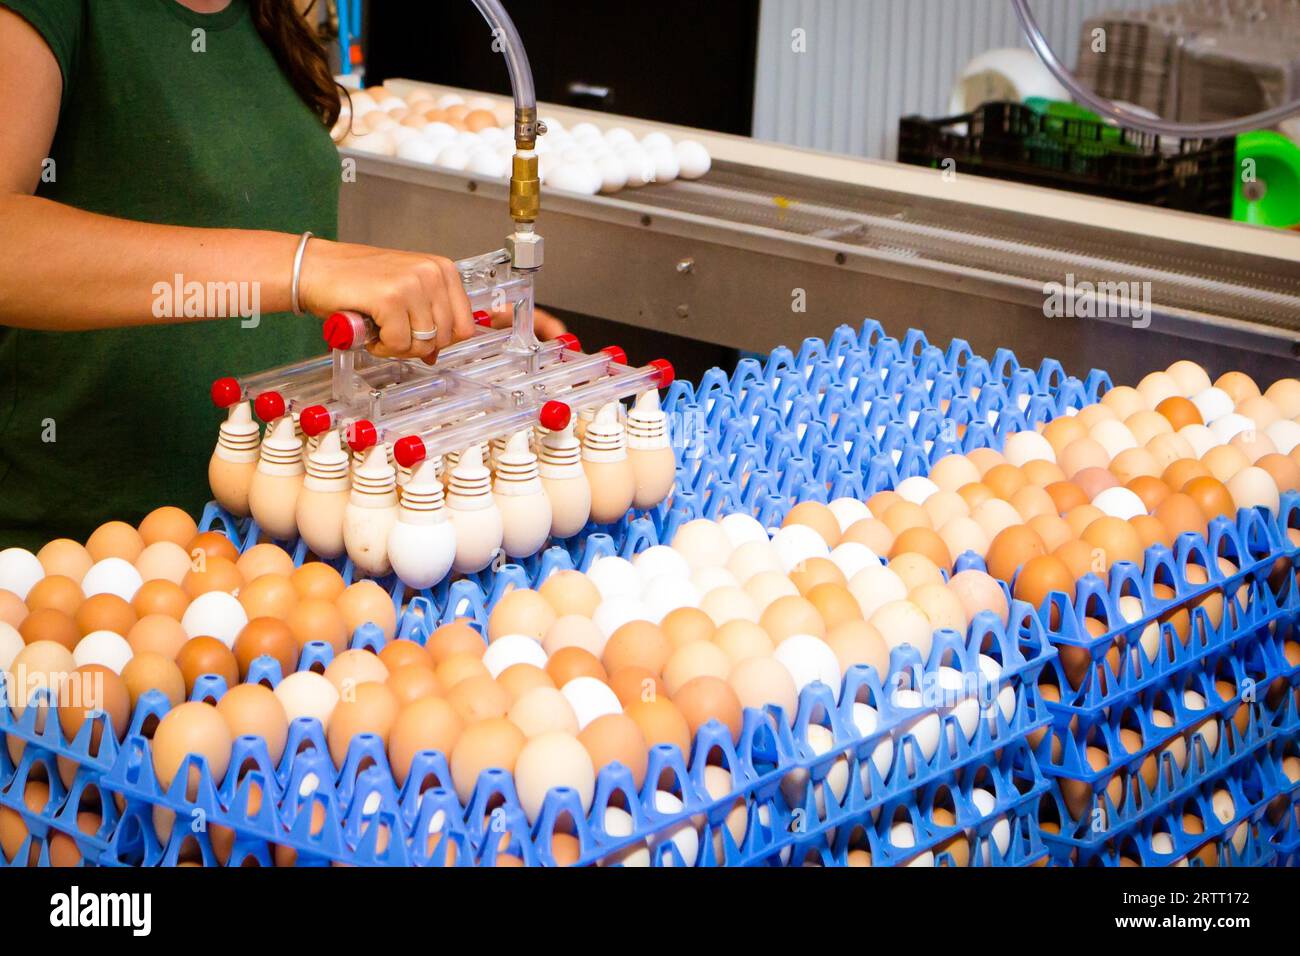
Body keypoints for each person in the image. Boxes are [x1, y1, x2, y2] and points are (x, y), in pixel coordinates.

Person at [0, 0, 562, 550]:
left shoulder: (262, 13)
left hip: (281, 534)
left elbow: (260, 257)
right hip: (95, 559)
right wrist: (306, 265)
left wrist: (422, 321)